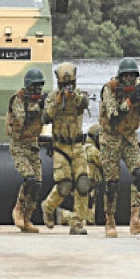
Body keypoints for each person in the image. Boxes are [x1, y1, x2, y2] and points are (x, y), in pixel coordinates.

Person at [98, 58, 140, 238]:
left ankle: (135, 220)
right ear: (120, 77)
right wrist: (129, 102)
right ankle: (109, 220)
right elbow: (113, 115)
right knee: (112, 182)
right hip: (110, 138)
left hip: (129, 137)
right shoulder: (109, 89)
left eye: (133, 76)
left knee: (139, 172)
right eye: (126, 76)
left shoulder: (138, 90)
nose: (130, 79)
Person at [40, 62, 91, 235]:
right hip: (60, 146)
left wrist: (73, 96)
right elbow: (45, 118)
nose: (67, 87)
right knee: (64, 185)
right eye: (64, 85)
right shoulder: (52, 97)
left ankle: (77, 222)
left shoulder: (79, 95)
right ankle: (48, 207)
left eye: (70, 84)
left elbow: (84, 103)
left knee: (83, 184)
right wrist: (57, 102)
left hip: (77, 146)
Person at [5, 68, 46, 234]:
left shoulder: (40, 101)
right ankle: (18, 208)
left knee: (37, 183)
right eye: (35, 87)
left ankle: (27, 217)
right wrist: (38, 106)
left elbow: (48, 117)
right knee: (29, 178)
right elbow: (22, 119)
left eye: (40, 87)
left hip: (32, 145)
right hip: (19, 145)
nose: (38, 90)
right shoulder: (18, 99)